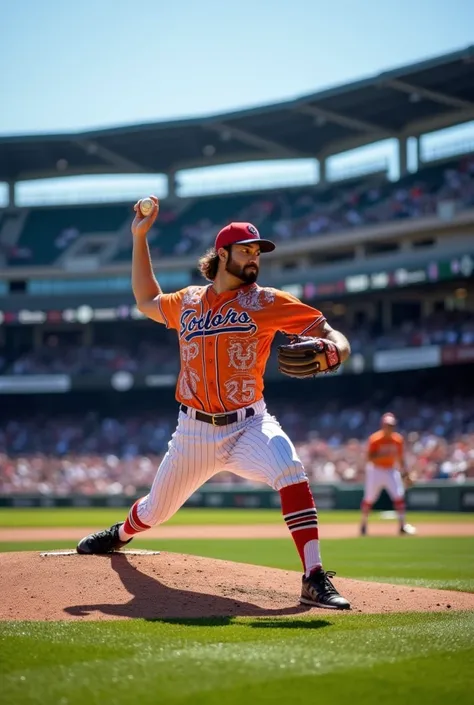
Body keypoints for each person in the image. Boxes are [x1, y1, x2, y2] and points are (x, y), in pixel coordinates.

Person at [77, 195, 352, 610]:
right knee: (154, 511)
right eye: (246, 250)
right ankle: (121, 534)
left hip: (249, 423)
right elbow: (146, 301)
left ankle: (313, 577)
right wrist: (139, 238)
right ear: (222, 254)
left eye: (258, 251)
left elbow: (335, 335)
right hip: (194, 431)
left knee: (290, 469)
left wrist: (336, 353)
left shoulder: (267, 302)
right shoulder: (188, 301)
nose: (254, 258)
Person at [360, 412, 416, 536]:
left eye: (392, 425)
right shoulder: (375, 439)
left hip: (391, 469)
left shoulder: (398, 439)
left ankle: (402, 525)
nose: (390, 427)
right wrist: (383, 455)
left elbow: (401, 459)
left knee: (399, 496)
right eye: (387, 425)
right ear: (382, 425)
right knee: (369, 498)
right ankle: (363, 524)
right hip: (376, 470)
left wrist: (406, 474)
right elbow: (369, 458)